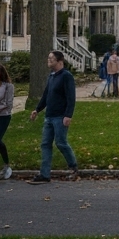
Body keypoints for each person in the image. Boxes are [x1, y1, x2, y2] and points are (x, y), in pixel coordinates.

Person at [29, 50, 78, 184]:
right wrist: (37, 109)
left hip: (60, 116)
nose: (48, 61)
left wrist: (68, 115)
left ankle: (73, 165)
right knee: (45, 144)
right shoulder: (51, 76)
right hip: (49, 116)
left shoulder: (66, 76)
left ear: (60, 62)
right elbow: (46, 95)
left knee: (61, 143)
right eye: (48, 58)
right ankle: (45, 174)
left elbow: (71, 98)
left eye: (51, 59)